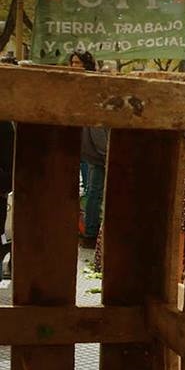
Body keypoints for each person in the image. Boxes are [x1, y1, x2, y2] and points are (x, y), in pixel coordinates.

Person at [70, 50, 109, 250]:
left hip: (96, 151)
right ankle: (90, 233)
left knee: (94, 191)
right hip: (91, 151)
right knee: (94, 192)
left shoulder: (92, 84)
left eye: (78, 62)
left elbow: (97, 126)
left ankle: (91, 232)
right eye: (73, 63)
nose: (75, 66)